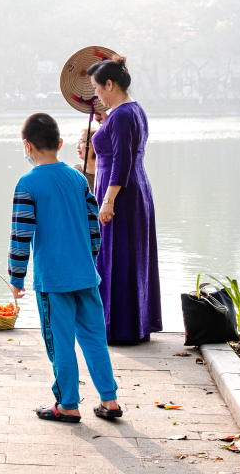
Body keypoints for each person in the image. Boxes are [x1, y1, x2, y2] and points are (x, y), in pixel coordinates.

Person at [8, 112, 121, 423]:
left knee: (61, 342)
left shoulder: (27, 184)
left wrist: (16, 277)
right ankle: (109, 400)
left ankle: (68, 404)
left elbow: (21, 235)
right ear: (59, 143)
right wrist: (90, 258)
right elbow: (93, 226)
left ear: (26, 146)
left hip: (54, 280)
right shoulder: (77, 178)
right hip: (85, 274)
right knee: (94, 338)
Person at [88, 55, 162, 344]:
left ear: (109, 84)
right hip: (136, 189)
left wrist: (108, 201)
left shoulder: (121, 115)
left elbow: (121, 160)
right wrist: (106, 125)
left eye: (97, 88)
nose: (96, 95)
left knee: (115, 256)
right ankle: (133, 324)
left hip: (120, 192)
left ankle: (118, 327)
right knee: (131, 256)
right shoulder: (132, 110)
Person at [73, 125, 97, 191]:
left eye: (82, 142)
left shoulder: (109, 171)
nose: (77, 146)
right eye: (78, 142)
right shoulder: (75, 172)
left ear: (96, 144)